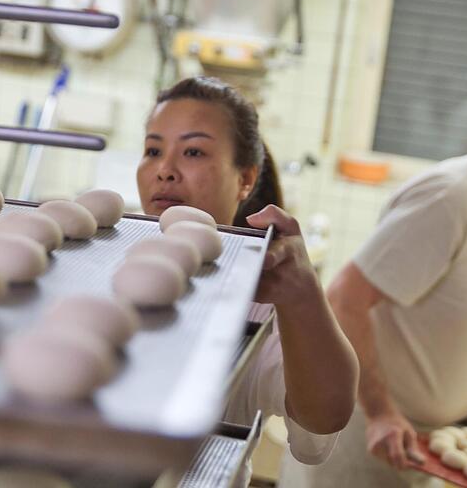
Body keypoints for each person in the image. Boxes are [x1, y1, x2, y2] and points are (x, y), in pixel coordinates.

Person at [280, 97, 467, 488]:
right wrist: (380, 412)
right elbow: (345, 299)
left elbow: (457, 309)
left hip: (416, 440)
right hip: (364, 435)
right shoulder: (449, 199)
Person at [136, 76, 359, 474]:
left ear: (246, 179)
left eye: (193, 151)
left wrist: (303, 297)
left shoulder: (259, 300)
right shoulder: (105, 261)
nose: (164, 170)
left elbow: (324, 417)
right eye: (153, 150)